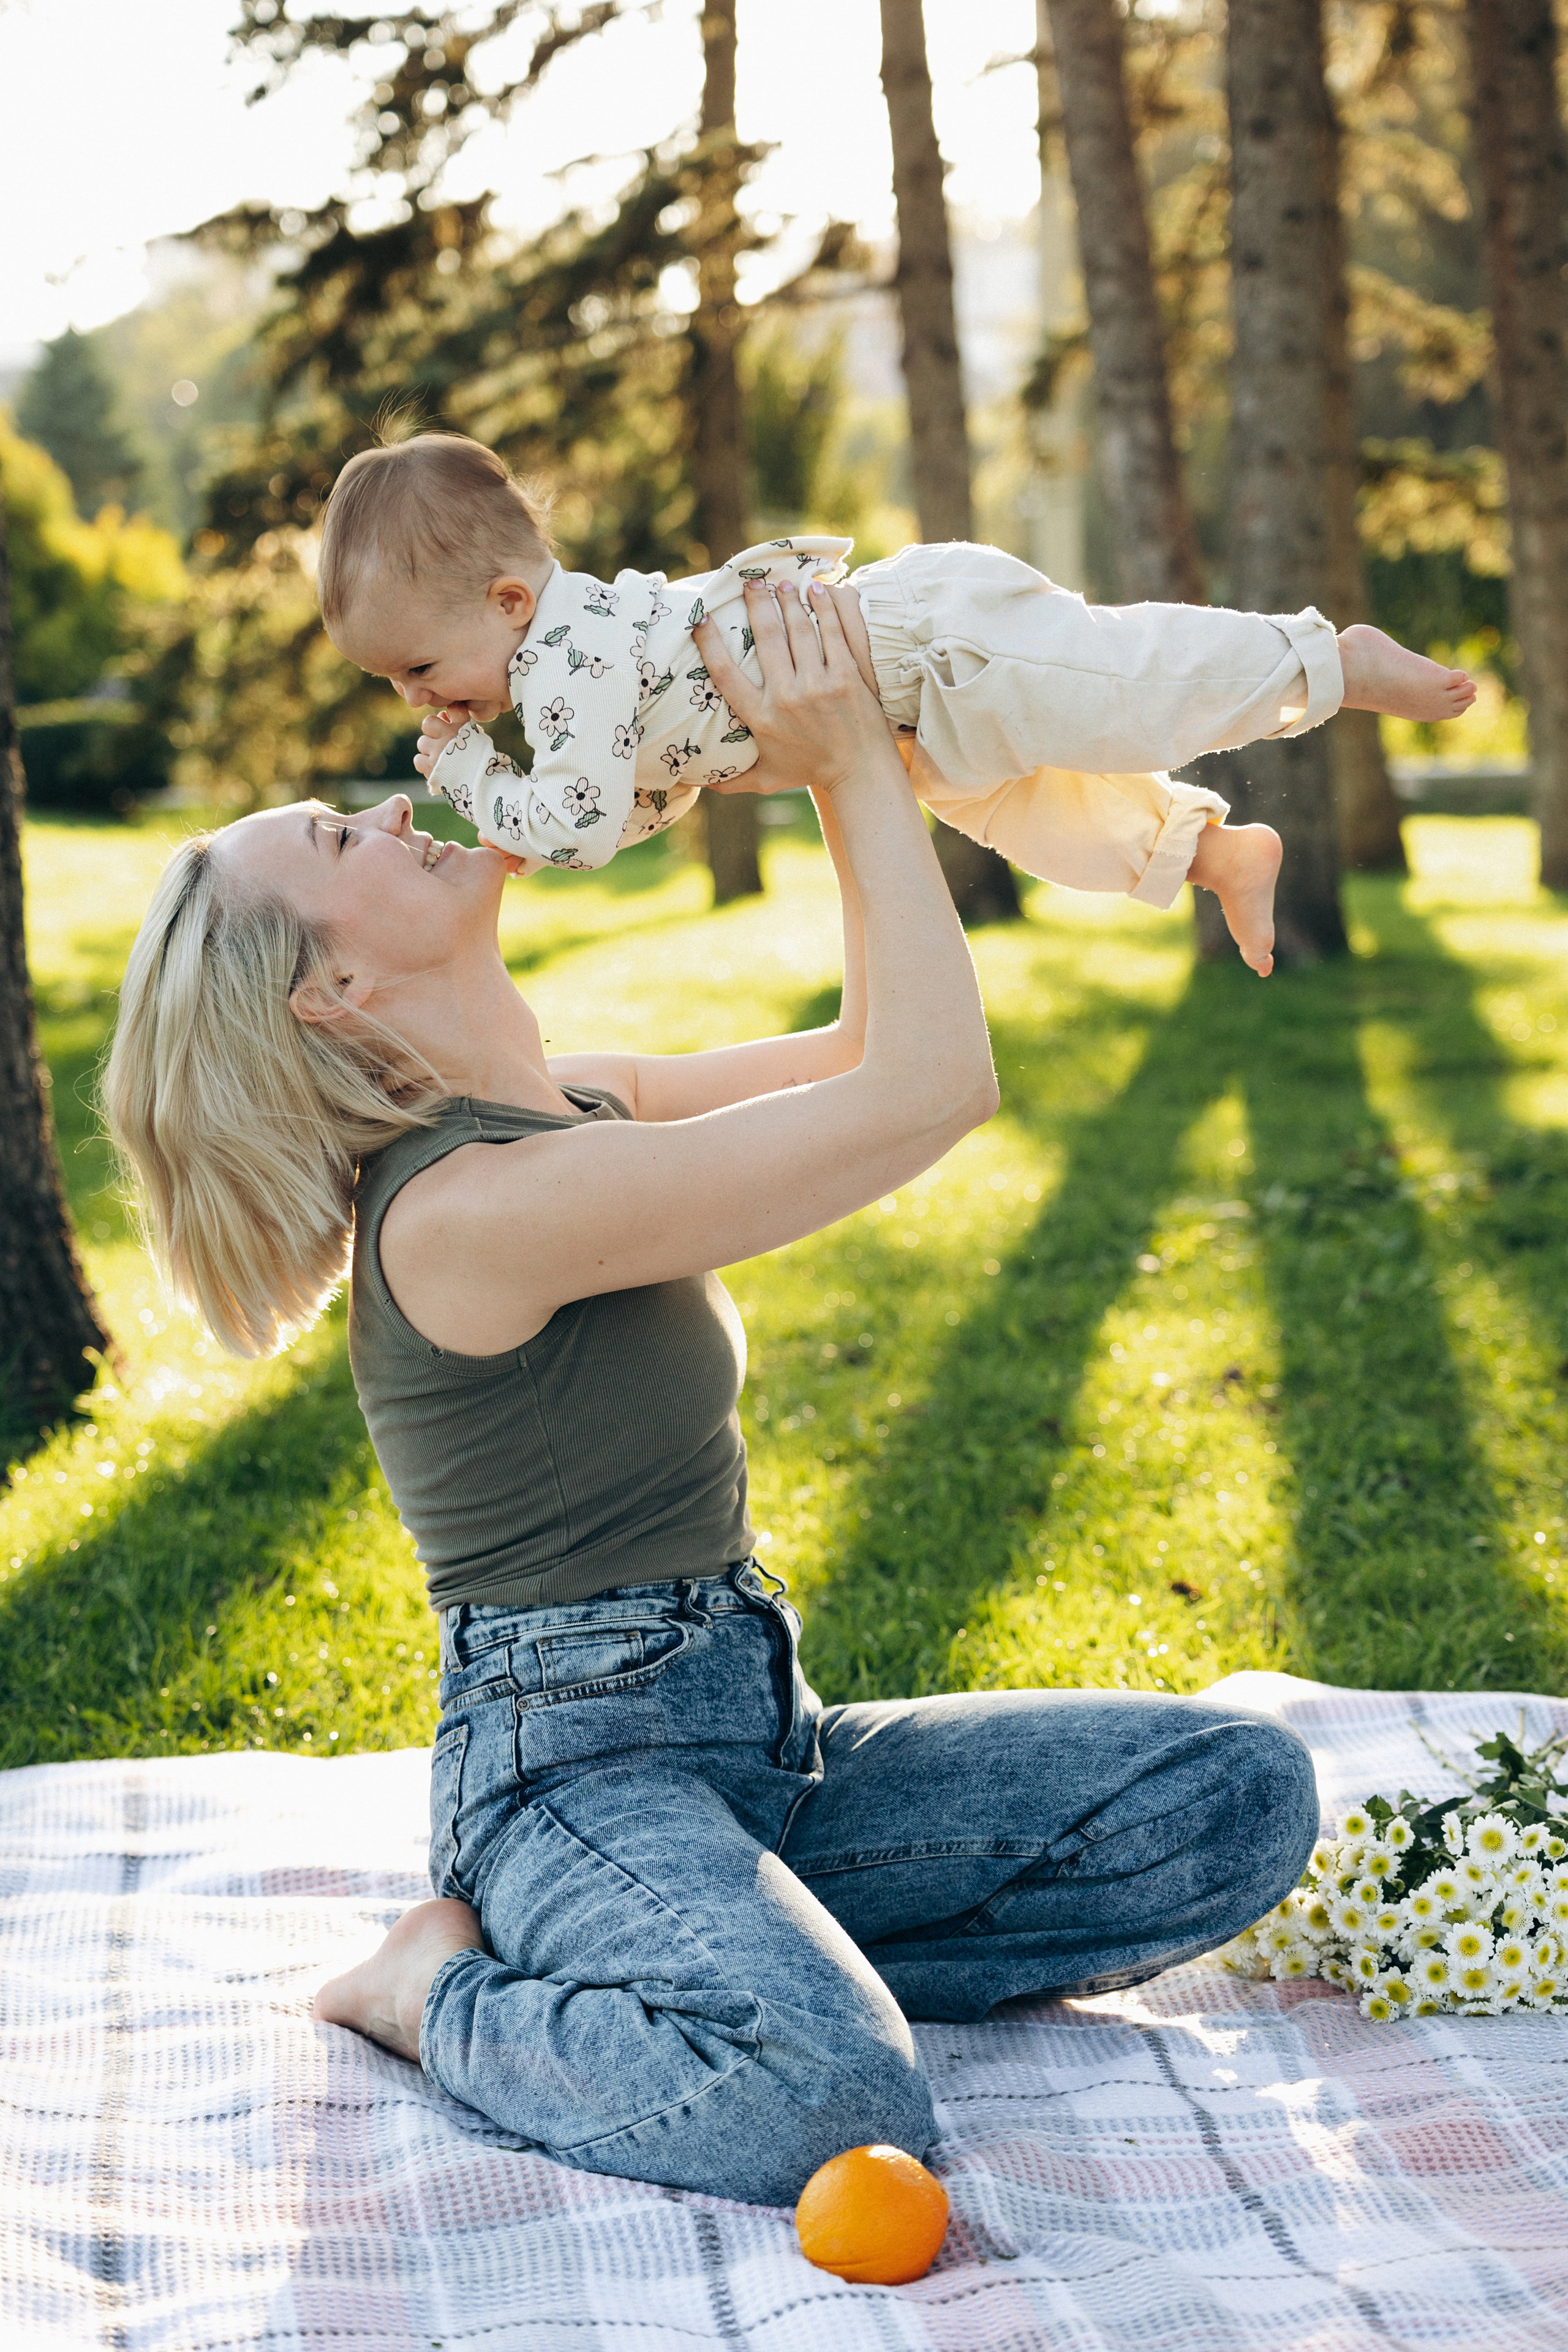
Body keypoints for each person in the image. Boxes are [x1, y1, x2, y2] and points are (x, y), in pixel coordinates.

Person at [104, 576, 1318, 2209]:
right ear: (330, 991)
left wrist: (847, 755)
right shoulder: (469, 1218)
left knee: (1236, 1795)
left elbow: (879, 1038)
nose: (397, 806)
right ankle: (432, 1994)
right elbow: (935, 1091)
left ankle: (773, 1944)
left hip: (768, 1750)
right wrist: (847, 773)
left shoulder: (572, 1103)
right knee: (830, 2098)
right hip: (574, 1781)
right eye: (343, 841)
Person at [314, 431, 1475, 978]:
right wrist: (536, 825)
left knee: (1136, 692)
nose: (420, 699)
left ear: (508, 598)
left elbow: (573, 825)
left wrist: (476, 782)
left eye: (418, 669)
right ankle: (1220, 857)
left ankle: (1326, 659)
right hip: (910, 725)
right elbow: (632, 808)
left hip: (934, 645)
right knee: (1052, 821)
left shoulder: (567, 659)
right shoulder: (568, 665)